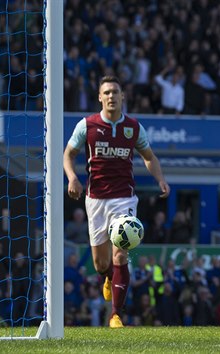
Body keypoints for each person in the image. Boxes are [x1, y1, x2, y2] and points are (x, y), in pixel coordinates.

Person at [63, 75, 170, 328]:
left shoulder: (133, 127)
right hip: (95, 199)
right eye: (107, 92)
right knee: (101, 263)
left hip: (124, 199)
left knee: (120, 255)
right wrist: (72, 178)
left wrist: (160, 179)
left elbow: (149, 157)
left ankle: (115, 315)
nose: (111, 96)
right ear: (100, 97)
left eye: (115, 92)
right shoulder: (86, 126)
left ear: (123, 97)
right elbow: (69, 154)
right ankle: (107, 277)